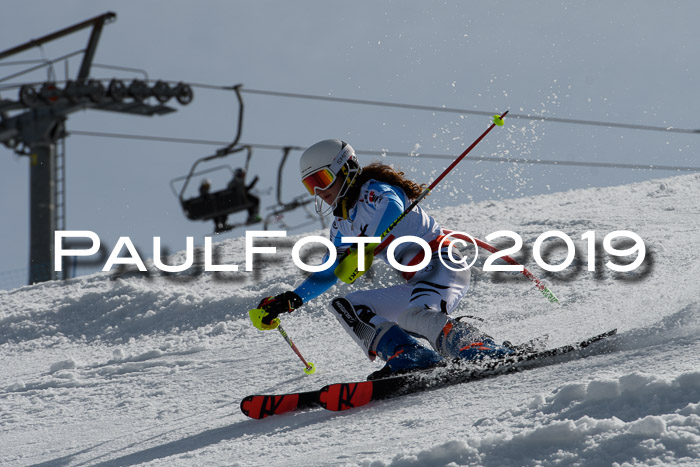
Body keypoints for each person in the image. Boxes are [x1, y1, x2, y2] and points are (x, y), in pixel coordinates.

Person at [248, 139, 513, 379]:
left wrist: (366, 246)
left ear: (345, 169)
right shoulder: (342, 225)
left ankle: (478, 346)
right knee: (346, 306)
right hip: (416, 280)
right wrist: (291, 300)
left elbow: (393, 207)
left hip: (441, 263)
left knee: (414, 316)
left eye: (322, 179)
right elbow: (330, 269)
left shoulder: (374, 190)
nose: (319, 191)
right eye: (310, 185)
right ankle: (408, 354)